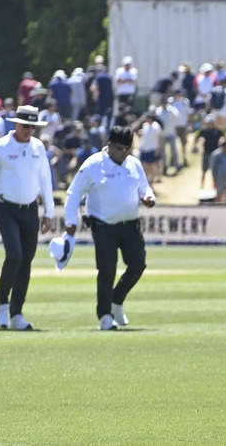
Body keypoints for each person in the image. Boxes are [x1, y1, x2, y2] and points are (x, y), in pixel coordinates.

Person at [64, 126, 156, 330]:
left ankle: (116, 301)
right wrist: (70, 221)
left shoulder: (134, 163)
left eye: (127, 149)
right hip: (103, 224)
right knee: (107, 270)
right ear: (109, 145)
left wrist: (149, 197)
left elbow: (144, 186)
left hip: (130, 224)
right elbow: (74, 193)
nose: (123, 153)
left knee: (138, 265)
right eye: (119, 148)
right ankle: (105, 315)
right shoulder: (93, 165)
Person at [0, 105, 55, 331]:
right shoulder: (0, 147)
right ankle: (2, 304)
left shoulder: (38, 147)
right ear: (16, 124)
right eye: (26, 125)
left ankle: (17, 313)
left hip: (30, 210)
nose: (29, 130)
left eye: (33, 126)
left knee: (26, 261)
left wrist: (49, 212)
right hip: (5, 208)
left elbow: (45, 181)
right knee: (14, 256)